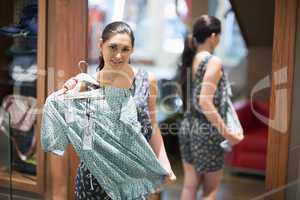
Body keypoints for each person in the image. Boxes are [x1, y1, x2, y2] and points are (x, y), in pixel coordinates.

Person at [62, 21, 176, 199]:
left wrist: (164, 164)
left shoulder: (146, 81)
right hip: (94, 182)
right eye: (112, 47)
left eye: (125, 49)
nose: (118, 55)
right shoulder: (87, 84)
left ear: (132, 50)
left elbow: (153, 126)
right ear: (100, 45)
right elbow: (82, 139)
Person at [177, 15, 244, 200]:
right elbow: (204, 102)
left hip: (187, 127)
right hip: (207, 132)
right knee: (210, 190)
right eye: (219, 36)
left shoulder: (189, 59)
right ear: (213, 36)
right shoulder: (213, 62)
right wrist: (228, 134)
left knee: (190, 186)